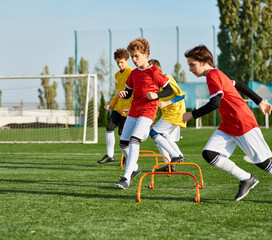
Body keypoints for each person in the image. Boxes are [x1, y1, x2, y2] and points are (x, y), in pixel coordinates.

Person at [183, 45, 272, 201]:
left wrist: (192, 114)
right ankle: (246, 178)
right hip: (228, 124)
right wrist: (260, 102)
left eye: (192, 64)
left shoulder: (212, 75)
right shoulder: (216, 74)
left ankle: (248, 178)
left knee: (263, 163)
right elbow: (238, 85)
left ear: (204, 61)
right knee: (209, 153)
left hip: (242, 122)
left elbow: (214, 103)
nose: (190, 68)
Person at [115, 38, 174, 189]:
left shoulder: (154, 72)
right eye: (132, 56)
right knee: (123, 143)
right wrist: (123, 94)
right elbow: (129, 92)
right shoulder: (133, 74)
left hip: (148, 111)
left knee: (135, 140)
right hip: (134, 110)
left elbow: (170, 90)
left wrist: (156, 95)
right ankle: (134, 168)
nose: (134, 59)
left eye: (137, 56)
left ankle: (126, 177)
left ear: (146, 53)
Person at [148, 59, 186, 172]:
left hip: (175, 113)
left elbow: (181, 95)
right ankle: (169, 165)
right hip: (168, 114)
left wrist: (166, 103)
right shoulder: (156, 85)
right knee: (162, 139)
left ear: (158, 70)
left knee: (154, 133)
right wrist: (154, 118)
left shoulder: (167, 79)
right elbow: (159, 106)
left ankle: (176, 155)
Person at [98, 49, 133, 164]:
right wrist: (111, 104)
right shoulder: (117, 75)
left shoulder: (132, 73)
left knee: (122, 133)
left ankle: (127, 157)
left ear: (127, 60)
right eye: (117, 62)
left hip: (127, 109)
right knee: (109, 127)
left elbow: (133, 92)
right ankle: (110, 155)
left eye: (122, 62)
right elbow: (118, 92)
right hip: (118, 107)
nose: (119, 64)